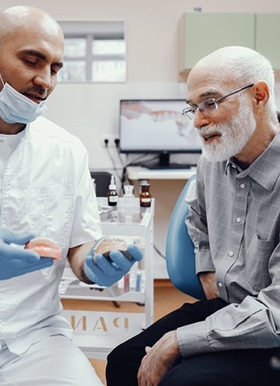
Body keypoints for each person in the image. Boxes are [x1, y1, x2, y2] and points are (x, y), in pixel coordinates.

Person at [0, 6, 143, 386]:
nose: (45, 80)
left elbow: (79, 245)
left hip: (35, 341)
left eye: (55, 68)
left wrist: (94, 260)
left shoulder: (67, 150)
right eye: (31, 60)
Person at [106, 45, 280, 386]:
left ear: (259, 95)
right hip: (229, 307)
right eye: (193, 109)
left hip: (272, 327)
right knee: (123, 362)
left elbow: (276, 313)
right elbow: (195, 215)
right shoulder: (213, 159)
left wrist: (179, 341)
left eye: (211, 102)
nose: (198, 121)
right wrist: (206, 267)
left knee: (181, 381)